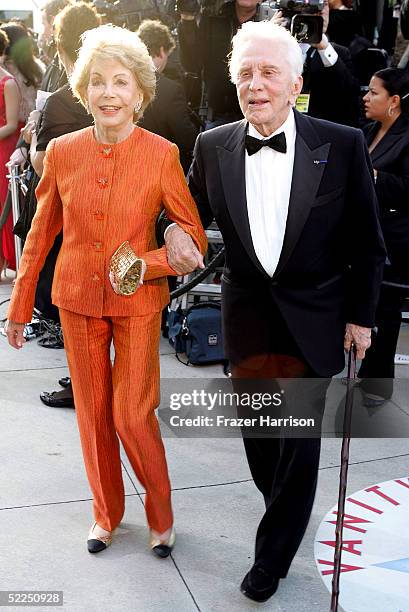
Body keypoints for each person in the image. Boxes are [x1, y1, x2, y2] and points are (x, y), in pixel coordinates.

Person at [162, 20, 385, 601]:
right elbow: (186, 212)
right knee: (263, 441)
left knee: (299, 443)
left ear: (295, 83)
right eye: (245, 74)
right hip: (247, 319)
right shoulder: (212, 146)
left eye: (268, 73)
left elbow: (367, 241)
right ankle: (281, 515)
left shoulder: (340, 143)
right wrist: (171, 230)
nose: (255, 85)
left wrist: (361, 316)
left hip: (315, 316)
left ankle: (271, 557)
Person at [5, 24, 207, 556]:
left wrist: (148, 262)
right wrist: (21, 302)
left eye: (120, 82)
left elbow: (193, 240)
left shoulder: (161, 153)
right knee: (92, 415)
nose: (108, 93)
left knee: (130, 414)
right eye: (97, 82)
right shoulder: (64, 151)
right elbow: (40, 231)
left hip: (138, 305)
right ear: (82, 89)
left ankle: (160, 515)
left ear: (140, 92)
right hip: (75, 300)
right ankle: (106, 515)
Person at [358, 68, 409, 406]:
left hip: (394, 240)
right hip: (364, 236)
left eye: (374, 93)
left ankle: (378, 386)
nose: (366, 97)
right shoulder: (368, 131)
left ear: (393, 101)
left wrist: (374, 176)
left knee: (386, 312)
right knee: (364, 307)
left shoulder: (407, 137)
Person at [0, 22, 44, 271]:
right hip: (26, 136)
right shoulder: (36, 69)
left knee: (10, 197)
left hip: (18, 138)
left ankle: (13, 257)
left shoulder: (9, 75)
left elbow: (18, 113)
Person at [137, 19, 198, 173]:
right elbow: (187, 139)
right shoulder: (171, 90)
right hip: (165, 169)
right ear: (162, 49)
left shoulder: (124, 83)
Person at [0, 29, 22, 280]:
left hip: (5, 148)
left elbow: (12, 123)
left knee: (6, 202)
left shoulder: (9, 83)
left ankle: (12, 259)